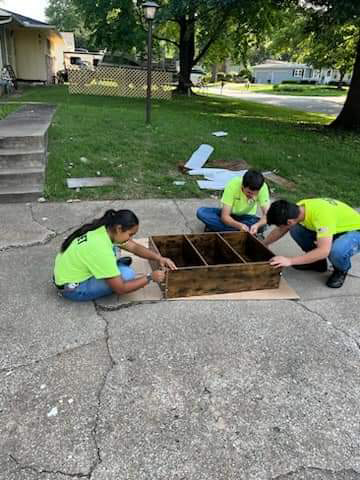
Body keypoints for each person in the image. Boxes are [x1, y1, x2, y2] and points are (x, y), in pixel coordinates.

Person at [53, 209, 176, 302]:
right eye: (130, 234)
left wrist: (159, 258)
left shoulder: (104, 229)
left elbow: (134, 247)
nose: (131, 238)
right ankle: (112, 269)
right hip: (73, 289)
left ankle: (111, 269)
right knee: (127, 274)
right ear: (119, 228)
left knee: (116, 251)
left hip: (67, 273)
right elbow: (121, 289)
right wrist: (150, 277)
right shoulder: (101, 249)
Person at [264, 198, 360, 288]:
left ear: (289, 221)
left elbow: (323, 251)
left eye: (280, 225)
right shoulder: (297, 209)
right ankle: (317, 263)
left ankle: (341, 270)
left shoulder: (322, 217)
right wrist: (264, 243)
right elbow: (281, 230)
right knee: (296, 229)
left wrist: (290, 261)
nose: (280, 227)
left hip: (354, 231)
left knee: (336, 251)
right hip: (335, 227)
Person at [196, 169, 270, 235]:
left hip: (247, 217)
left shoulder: (263, 187)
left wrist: (256, 225)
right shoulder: (233, 184)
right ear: (242, 186)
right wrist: (240, 226)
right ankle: (240, 231)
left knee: (262, 225)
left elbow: (268, 215)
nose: (252, 195)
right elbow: (225, 216)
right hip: (230, 215)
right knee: (202, 212)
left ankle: (217, 228)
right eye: (249, 192)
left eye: (255, 193)